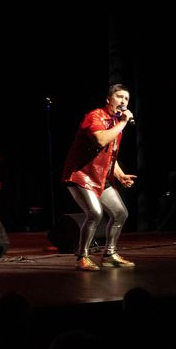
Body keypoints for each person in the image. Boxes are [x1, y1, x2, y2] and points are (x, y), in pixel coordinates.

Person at [61, 85, 138, 270]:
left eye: (126, 99)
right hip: (81, 174)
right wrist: (123, 123)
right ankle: (82, 257)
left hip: (100, 176)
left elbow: (110, 153)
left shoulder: (116, 123)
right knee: (95, 213)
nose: (123, 101)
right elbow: (101, 140)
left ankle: (109, 254)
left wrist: (119, 175)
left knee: (120, 213)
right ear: (108, 99)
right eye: (119, 97)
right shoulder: (95, 116)